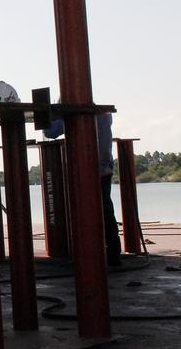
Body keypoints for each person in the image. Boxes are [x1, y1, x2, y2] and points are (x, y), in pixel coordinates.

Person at [40, 110, 121, 267]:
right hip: (104, 168)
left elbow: (51, 132)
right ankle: (112, 253)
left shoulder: (76, 115)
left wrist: (53, 114)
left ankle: (88, 254)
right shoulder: (103, 114)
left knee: (82, 211)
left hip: (86, 169)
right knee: (105, 210)